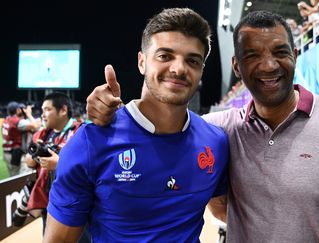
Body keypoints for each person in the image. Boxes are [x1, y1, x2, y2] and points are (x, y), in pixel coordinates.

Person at [86, 10, 319, 242]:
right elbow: (159, 127)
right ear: (237, 66)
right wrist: (108, 113)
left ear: (295, 55)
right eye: (252, 55)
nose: (268, 65)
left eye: (280, 52)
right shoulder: (219, 129)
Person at [44, 8, 229, 242]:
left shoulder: (216, 141)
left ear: (201, 70)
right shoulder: (90, 142)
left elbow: (221, 208)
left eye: (192, 60)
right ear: (142, 62)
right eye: (165, 56)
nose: (179, 68)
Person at [24, 92, 82, 235]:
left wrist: (60, 163)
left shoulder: (81, 131)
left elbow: (90, 166)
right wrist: (33, 158)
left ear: (63, 110)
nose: (42, 114)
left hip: (75, 203)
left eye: (47, 109)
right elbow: (28, 161)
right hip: (48, 201)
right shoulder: (41, 134)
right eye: (42, 110)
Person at [2, 101, 40, 176]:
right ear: (17, 110)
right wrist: (29, 114)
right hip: (14, 153)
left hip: (8, 152)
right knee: (19, 179)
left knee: (13, 177)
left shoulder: (7, 119)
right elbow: (35, 126)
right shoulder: (17, 121)